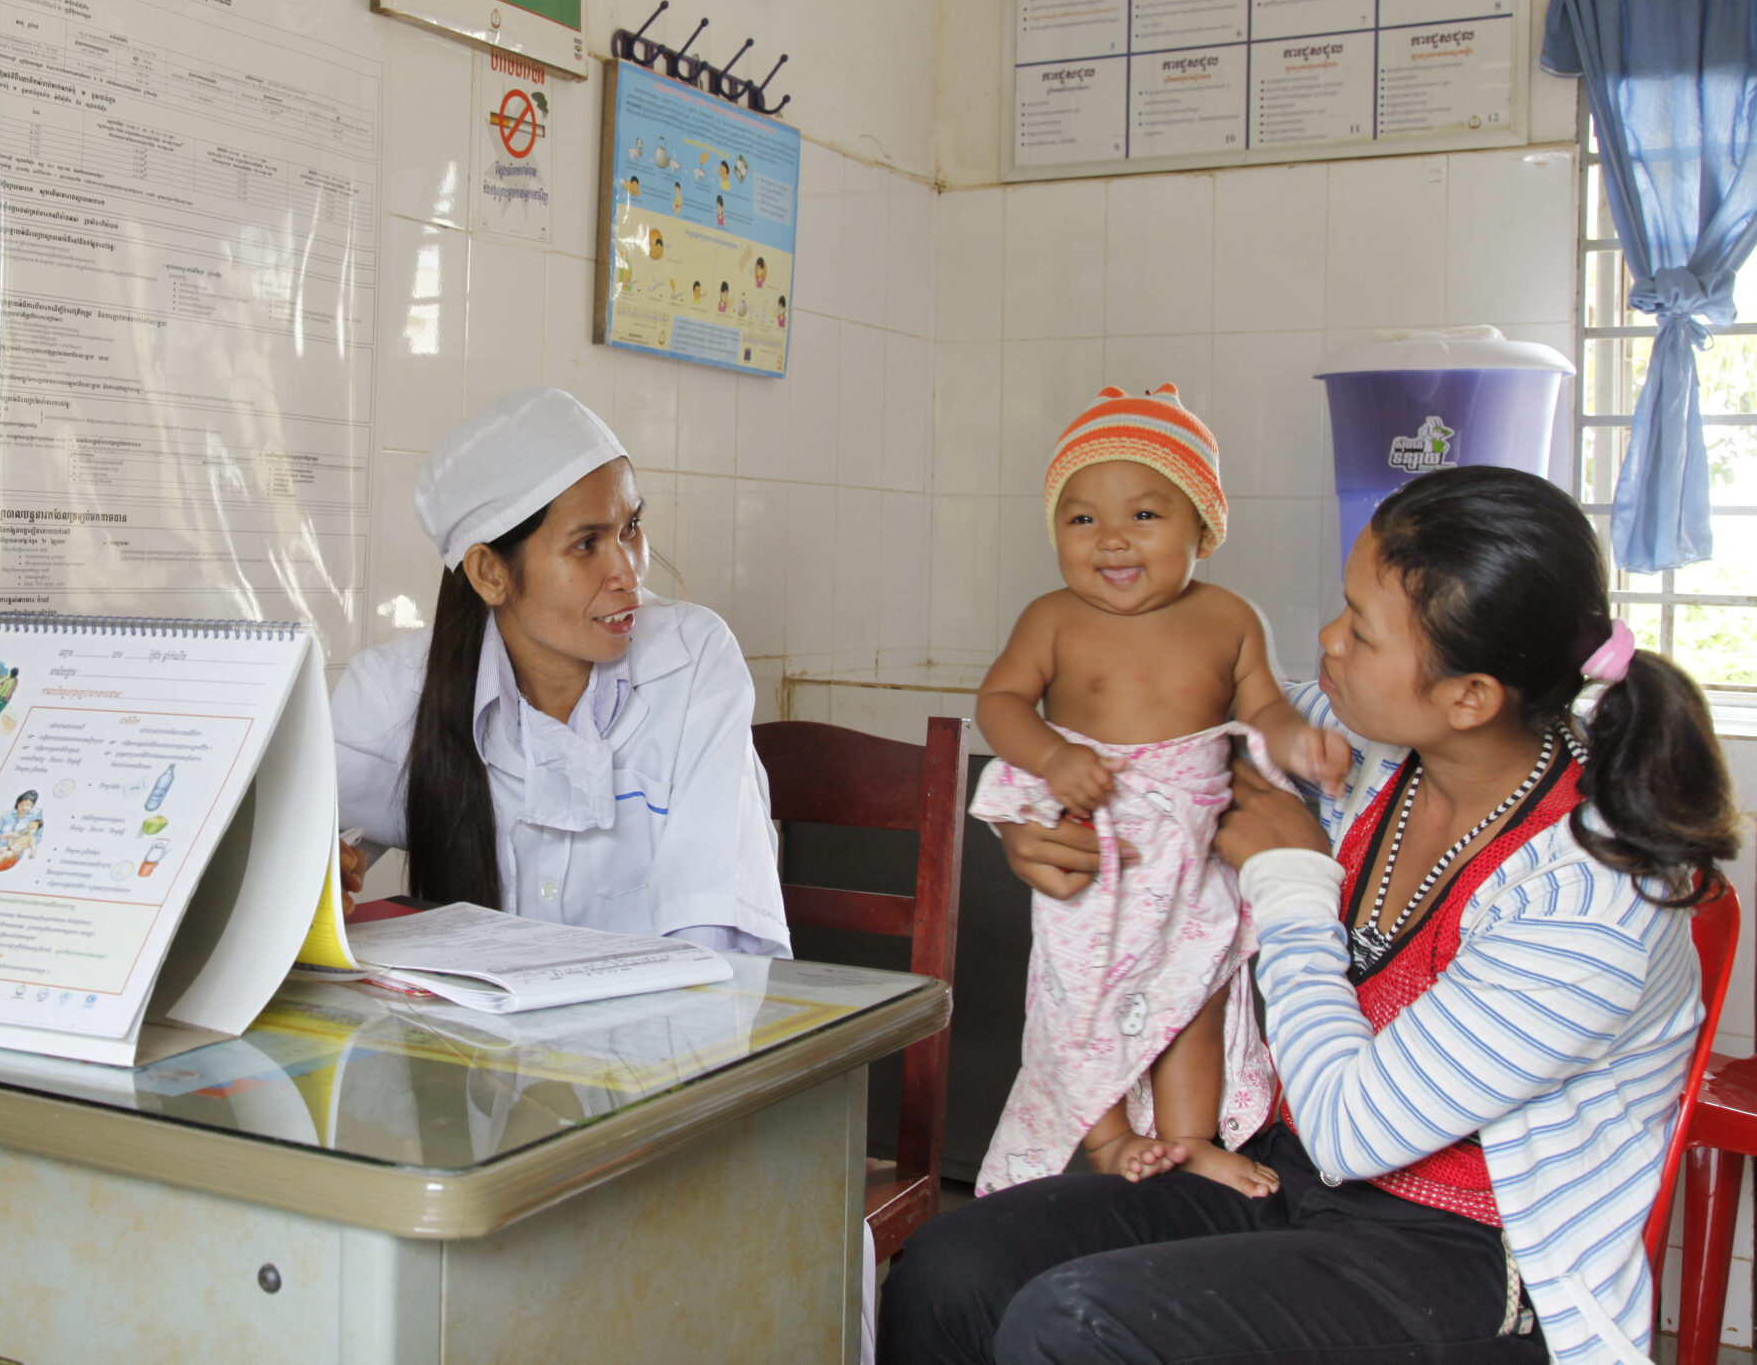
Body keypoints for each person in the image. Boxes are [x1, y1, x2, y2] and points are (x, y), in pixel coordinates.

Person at [883, 466, 1738, 1365]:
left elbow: (1353, 1128)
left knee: (1077, 1323)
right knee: (951, 1269)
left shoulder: (1586, 902)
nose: (1327, 641)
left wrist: (1293, 877)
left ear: (1470, 696)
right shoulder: (1356, 744)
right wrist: (1045, 824)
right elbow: (1177, 775)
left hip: (1467, 1255)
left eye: (1360, 631)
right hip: (1286, 1173)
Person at [969, 385, 1342, 1197]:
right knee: (1078, 1002)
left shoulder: (1230, 618)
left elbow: (1267, 710)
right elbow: (997, 702)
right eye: (1080, 518)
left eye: (1145, 515)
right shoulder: (1052, 618)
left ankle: (1186, 1139)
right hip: (1099, 843)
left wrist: (1302, 745)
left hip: (1192, 852)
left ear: (1202, 526)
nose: (1110, 539)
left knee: (1195, 1000)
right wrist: (1052, 753)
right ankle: (1104, 1139)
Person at [332, 386, 789, 954]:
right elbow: (278, 845)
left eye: (630, 528)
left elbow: (716, 932)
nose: (629, 572)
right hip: (476, 1040)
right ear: (490, 573)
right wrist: (321, 869)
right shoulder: (396, 690)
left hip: (664, 1033)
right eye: (587, 544)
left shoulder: (691, 662)